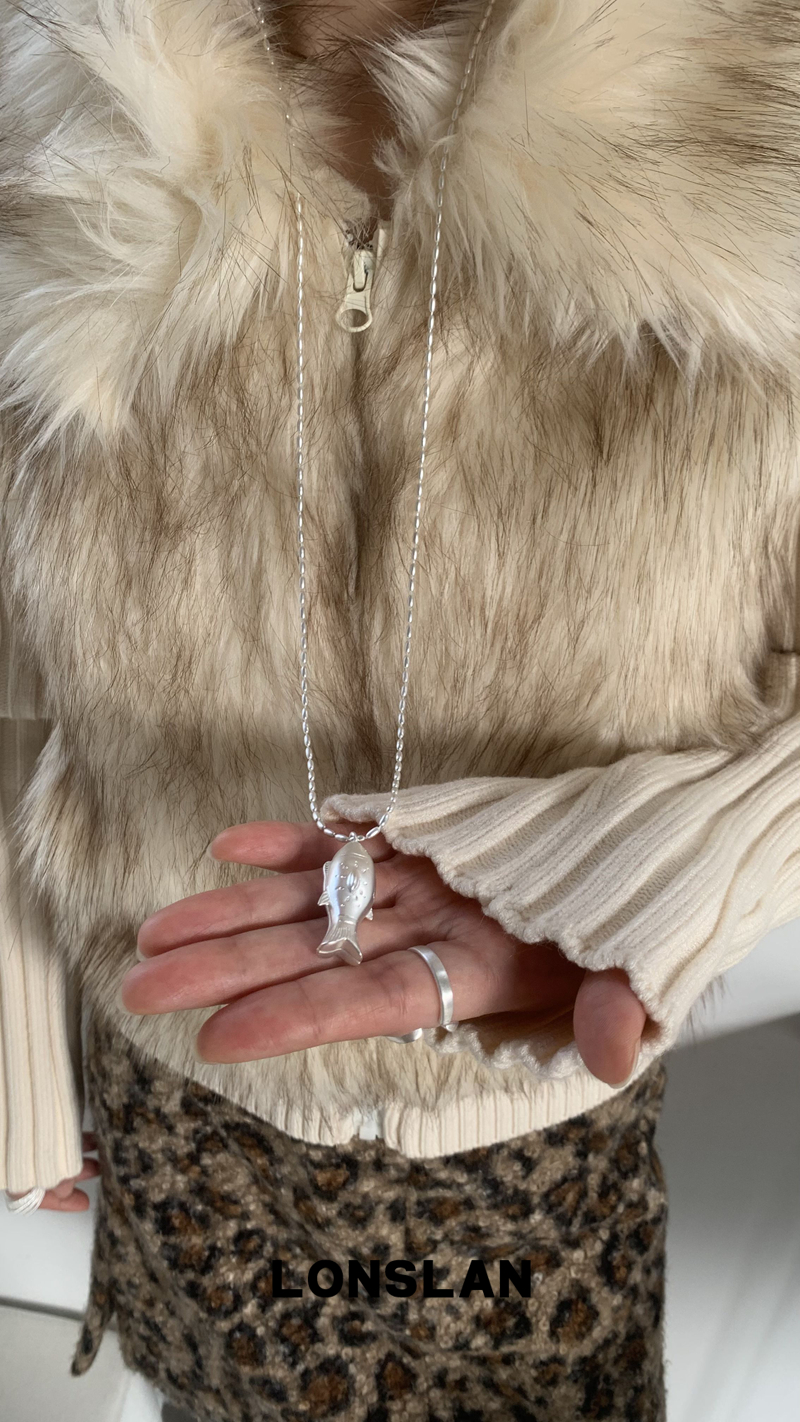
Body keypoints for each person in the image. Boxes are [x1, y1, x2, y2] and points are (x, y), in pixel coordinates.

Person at [2, 0, 800, 1416]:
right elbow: (14, 686)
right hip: (184, 1078)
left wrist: (654, 863)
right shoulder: (41, 108)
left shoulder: (761, 110)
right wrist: (25, 1091)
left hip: (540, 1108)